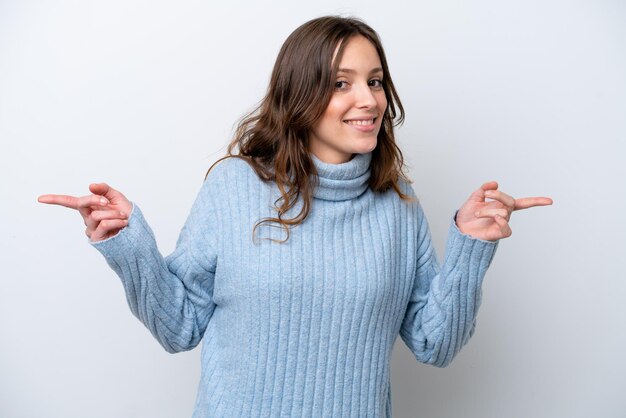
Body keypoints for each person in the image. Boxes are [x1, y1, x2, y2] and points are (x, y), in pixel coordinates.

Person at [38, 16, 552, 418]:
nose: (368, 99)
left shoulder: (397, 202)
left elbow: (434, 345)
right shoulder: (235, 186)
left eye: (375, 81)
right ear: (300, 94)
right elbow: (179, 326)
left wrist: (471, 245)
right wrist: (129, 244)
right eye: (341, 83)